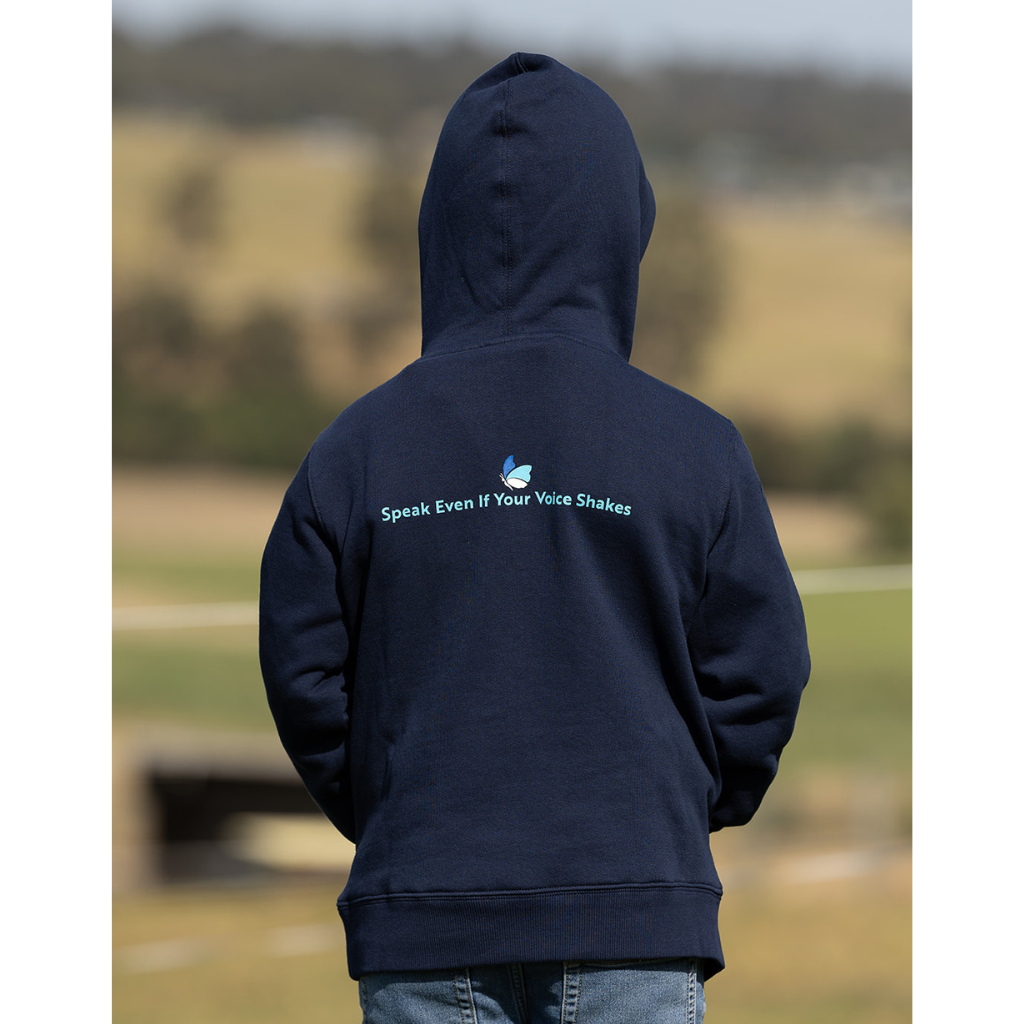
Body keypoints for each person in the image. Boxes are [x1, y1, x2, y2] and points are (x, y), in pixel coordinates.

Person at [260, 52, 810, 1024]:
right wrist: (671, 816)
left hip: (422, 922)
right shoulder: (694, 446)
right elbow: (761, 674)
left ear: (439, 230)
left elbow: (305, 676)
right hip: (637, 918)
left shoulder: (355, 449)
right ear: (620, 230)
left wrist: (399, 810)